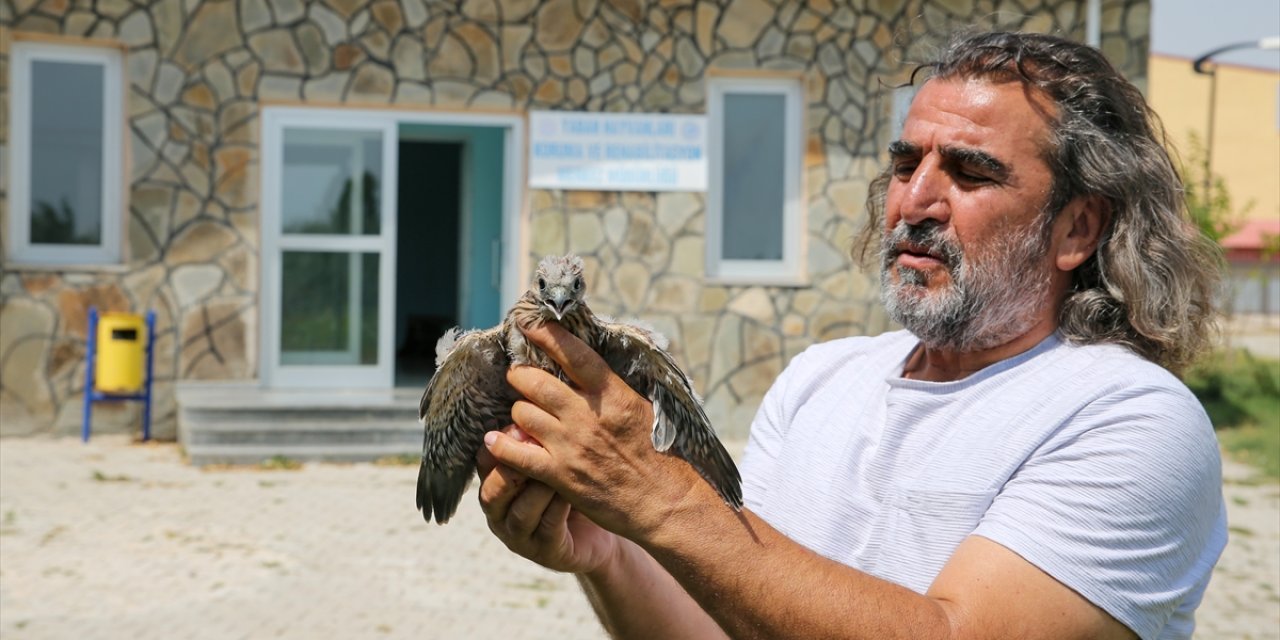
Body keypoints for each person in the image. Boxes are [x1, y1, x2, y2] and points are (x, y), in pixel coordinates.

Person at [476, 30, 1227, 640]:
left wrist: (656, 495)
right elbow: (731, 622)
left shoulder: (1131, 417)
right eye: (906, 163)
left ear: (1077, 228)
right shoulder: (820, 379)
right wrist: (611, 554)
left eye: (969, 173)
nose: (915, 200)